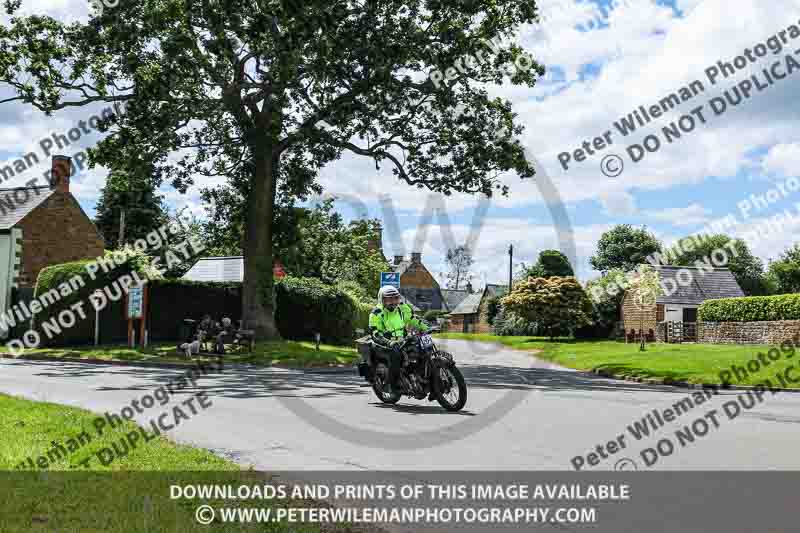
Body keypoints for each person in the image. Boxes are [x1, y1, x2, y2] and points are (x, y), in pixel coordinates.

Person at [368, 285, 430, 394]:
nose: (393, 302)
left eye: (395, 298)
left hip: (403, 340)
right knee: (396, 356)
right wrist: (389, 342)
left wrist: (426, 328)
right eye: (389, 299)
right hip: (385, 343)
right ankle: (391, 385)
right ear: (382, 300)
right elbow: (375, 333)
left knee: (422, 352)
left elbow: (412, 320)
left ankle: (429, 382)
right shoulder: (376, 313)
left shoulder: (403, 308)